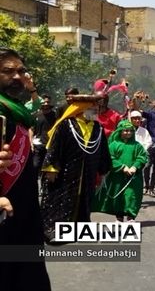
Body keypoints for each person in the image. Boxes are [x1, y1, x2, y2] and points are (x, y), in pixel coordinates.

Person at [0, 47, 52, 291]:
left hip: (25, 216)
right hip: (4, 219)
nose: (18, 76)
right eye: (8, 71)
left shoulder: (16, 112)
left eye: (20, 70)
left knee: (29, 283)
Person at [40, 93, 111, 238]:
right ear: (82, 108)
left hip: (88, 172)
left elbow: (103, 149)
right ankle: (57, 228)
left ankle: (80, 228)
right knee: (62, 199)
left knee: (85, 198)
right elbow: (55, 147)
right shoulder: (66, 125)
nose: (97, 110)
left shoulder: (98, 127)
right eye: (93, 107)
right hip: (66, 172)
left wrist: (103, 169)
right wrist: (51, 168)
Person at [93, 120, 148, 222]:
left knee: (132, 196)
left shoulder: (137, 145)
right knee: (118, 197)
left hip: (133, 177)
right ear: (120, 131)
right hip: (117, 177)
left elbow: (142, 157)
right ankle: (119, 218)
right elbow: (110, 158)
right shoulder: (113, 145)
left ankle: (131, 217)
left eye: (130, 131)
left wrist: (135, 167)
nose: (128, 133)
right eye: (125, 130)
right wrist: (122, 167)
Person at [31, 95, 57, 177]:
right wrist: (30, 142)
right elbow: (31, 129)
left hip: (50, 146)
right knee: (35, 166)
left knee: (48, 170)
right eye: (44, 102)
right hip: (37, 145)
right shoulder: (35, 115)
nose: (46, 104)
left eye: (47, 102)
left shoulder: (55, 116)